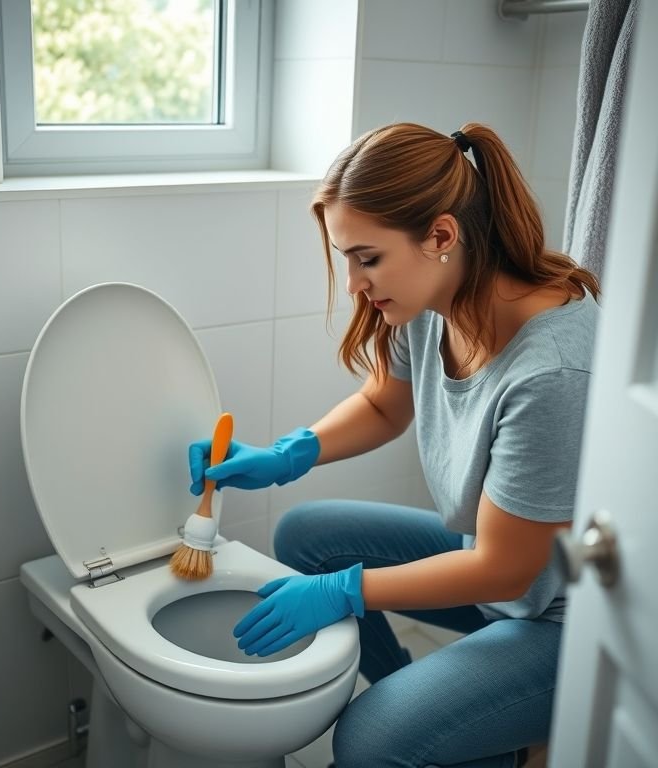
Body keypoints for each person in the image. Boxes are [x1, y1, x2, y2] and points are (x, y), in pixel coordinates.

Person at [188, 122, 600, 768]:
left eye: (368, 258)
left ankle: (500, 747)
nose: (354, 283)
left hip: (567, 618)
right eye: (347, 259)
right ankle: (440, 719)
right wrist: (285, 455)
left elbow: (506, 571)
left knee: (366, 741)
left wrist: (345, 591)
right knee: (305, 535)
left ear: (441, 236)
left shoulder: (551, 370)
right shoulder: (440, 297)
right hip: (498, 569)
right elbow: (386, 403)